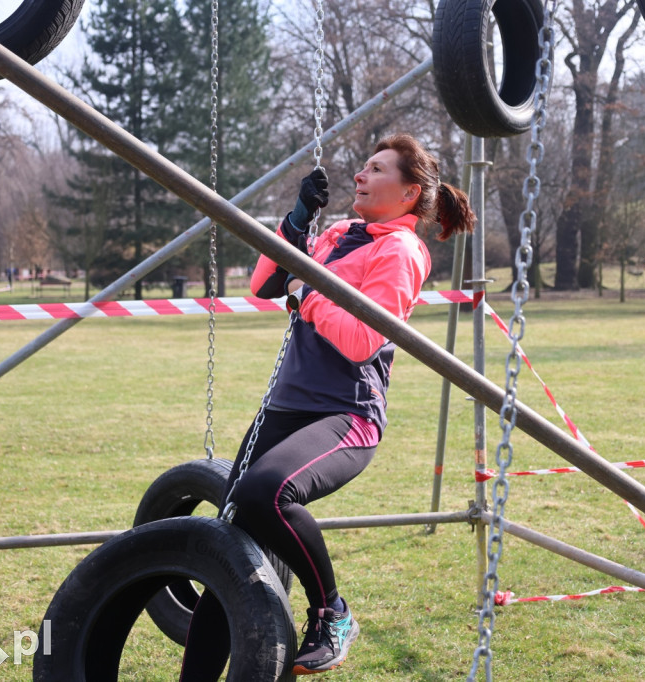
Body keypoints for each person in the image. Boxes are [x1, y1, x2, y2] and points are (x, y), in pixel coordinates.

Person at [179, 134, 475, 680]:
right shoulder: (340, 234)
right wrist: (297, 220)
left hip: (345, 414)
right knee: (227, 552)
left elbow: (361, 340)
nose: (360, 174)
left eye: (376, 168)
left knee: (263, 491)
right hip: (285, 407)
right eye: (363, 166)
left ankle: (332, 612)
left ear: (409, 192)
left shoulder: (401, 251)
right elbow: (267, 284)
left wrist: (307, 291)